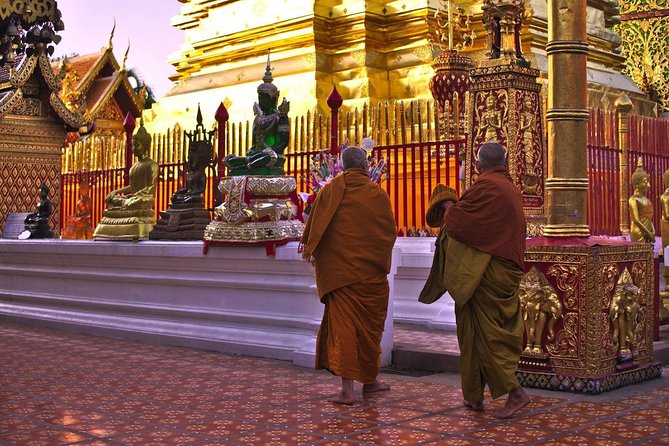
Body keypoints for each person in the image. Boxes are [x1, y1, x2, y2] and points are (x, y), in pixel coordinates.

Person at [299, 146, 397, 405]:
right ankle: (365, 383)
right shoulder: (377, 194)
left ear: (342, 166)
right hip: (370, 274)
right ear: (366, 166)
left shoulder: (329, 192)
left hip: (341, 273)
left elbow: (315, 229)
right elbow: (388, 233)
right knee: (368, 331)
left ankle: (353, 388)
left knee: (347, 331)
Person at [441, 142, 529, 418]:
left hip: (488, 272)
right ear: (504, 161)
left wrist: (448, 206)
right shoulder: (508, 187)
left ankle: (515, 393)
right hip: (500, 269)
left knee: (486, 336)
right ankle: (475, 396)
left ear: (479, 165)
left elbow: (460, 224)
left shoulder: (486, 187)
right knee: (474, 331)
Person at [628, 157, 655, 244]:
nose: (649, 185)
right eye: (646, 182)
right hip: (638, 232)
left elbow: (649, 219)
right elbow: (636, 220)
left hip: (648, 231)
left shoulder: (647, 200)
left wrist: (652, 231)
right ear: (637, 184)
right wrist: (648, 233)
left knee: (648, 254)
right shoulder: (633, 199)